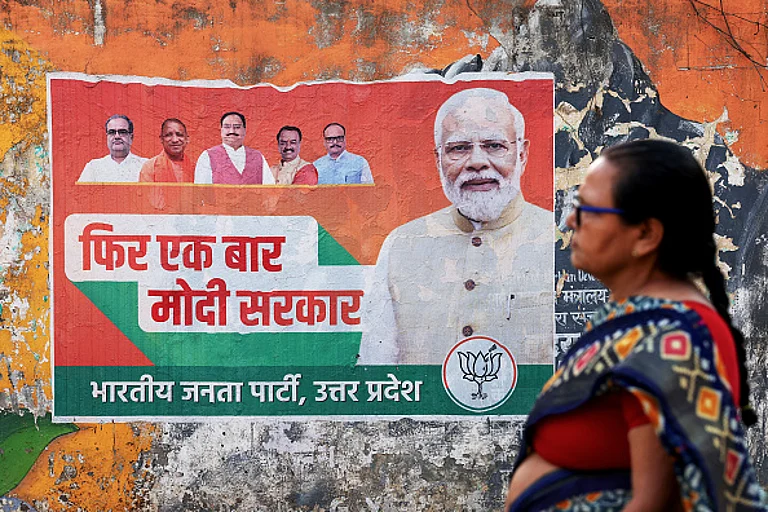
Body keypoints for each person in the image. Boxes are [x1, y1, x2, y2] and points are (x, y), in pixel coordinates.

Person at [505, 139, 765, 511]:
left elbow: (653, 502)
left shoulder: (672, 339)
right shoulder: (641, 319)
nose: (569, 221)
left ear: (645, 235)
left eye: (587, 209)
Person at [358, 88, 552, 366]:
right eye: (459, 148)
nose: (476, 162)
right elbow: (375, 373)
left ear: (521, 154)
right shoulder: (403, 245)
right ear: (438, 159)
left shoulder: (565, 240)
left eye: (494, 146)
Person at [194, 112, 274, 185]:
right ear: (221, 130)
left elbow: (269, 190)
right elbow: (202, 193)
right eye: (227, 127)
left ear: (244, 130)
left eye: (237, 127)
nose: (232, 131)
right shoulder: (207, 156)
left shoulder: (258, 157)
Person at [78, 114, 146, 182]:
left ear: (131, 137)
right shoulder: (93, 167)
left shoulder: (145, 166)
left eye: (122, 132)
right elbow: (82, 192)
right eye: (112, 132)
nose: (117, 136)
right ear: (107, 137)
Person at [139, 118, 194, 183]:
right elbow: (146, 193)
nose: (175, 140)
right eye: (169, 135)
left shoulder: (195, 168)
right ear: (161, 139)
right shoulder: (150, 167)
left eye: (179, 135)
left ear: (187, 139)